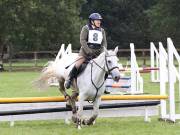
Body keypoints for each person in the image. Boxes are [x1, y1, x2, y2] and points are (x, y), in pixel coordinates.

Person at [64, 13, 107, 89]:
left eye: (100, 20)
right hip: (86, 51)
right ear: (92, 21)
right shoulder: (86, 28)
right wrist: (88, 51)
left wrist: (103, 52)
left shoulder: (102, 30)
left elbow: (104, 42)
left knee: (105, 67)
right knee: (78, 64)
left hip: (98, 52)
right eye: (97, 20)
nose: (99, 22)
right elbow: (82, 40)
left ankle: (103, 85)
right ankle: (69, 79)